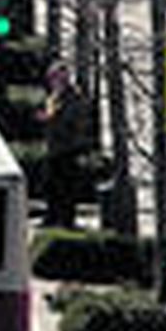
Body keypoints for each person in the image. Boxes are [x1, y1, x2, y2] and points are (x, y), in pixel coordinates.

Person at [37, 62, 93, 229]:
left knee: (66, 187)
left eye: (57, 78)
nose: (53, 82)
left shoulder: (74, 98)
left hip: (68, 149)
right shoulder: (53, 97)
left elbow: (74, 122)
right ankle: (51, 217)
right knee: (50, 185)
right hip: (53, 148)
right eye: (52, 78)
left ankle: (67, 220)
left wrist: (52, 119)